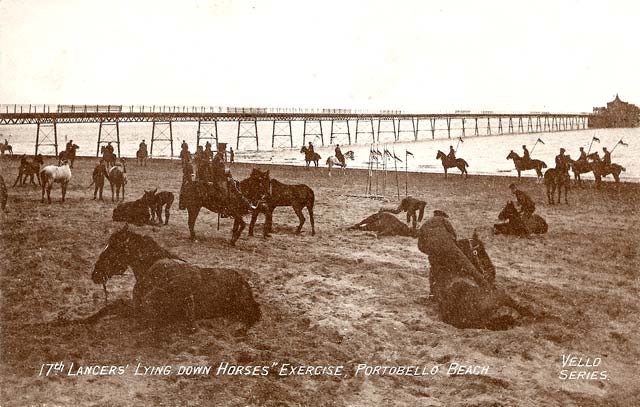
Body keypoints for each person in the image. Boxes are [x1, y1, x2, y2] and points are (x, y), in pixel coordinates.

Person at [417, 210, 489, 302]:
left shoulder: (424, 225)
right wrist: (452, 248)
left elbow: (420, 246)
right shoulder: (443, 220)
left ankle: (433, 295)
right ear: (443, 215)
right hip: (449, 246)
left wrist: (431, 252)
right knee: (469, 266)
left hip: (433, 251)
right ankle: (486, 287)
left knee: (434, 272)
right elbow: (454, 235)